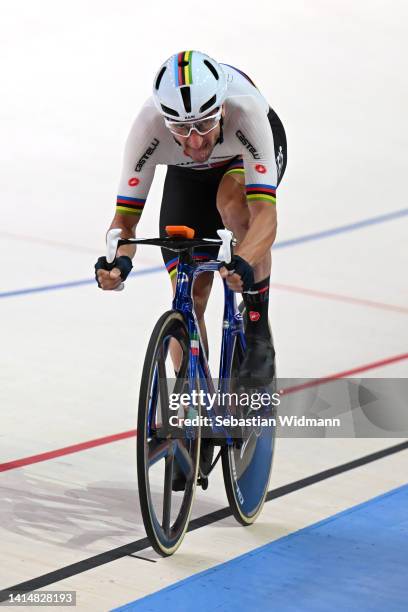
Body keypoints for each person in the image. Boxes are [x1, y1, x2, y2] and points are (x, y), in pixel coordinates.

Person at [95, 50, 287, 387]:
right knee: (189, 299)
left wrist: (244, 259)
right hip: (188, 178)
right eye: (181, 129)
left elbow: (265, 217)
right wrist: (117, 262)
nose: (195, 139)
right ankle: (192, 404)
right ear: (165, 120)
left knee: (231, 203)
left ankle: (258, 332)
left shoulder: (246, 111)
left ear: (222, 109)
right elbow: (124, 222)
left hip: (241, 158)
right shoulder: (148, 129)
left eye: (204, 124)